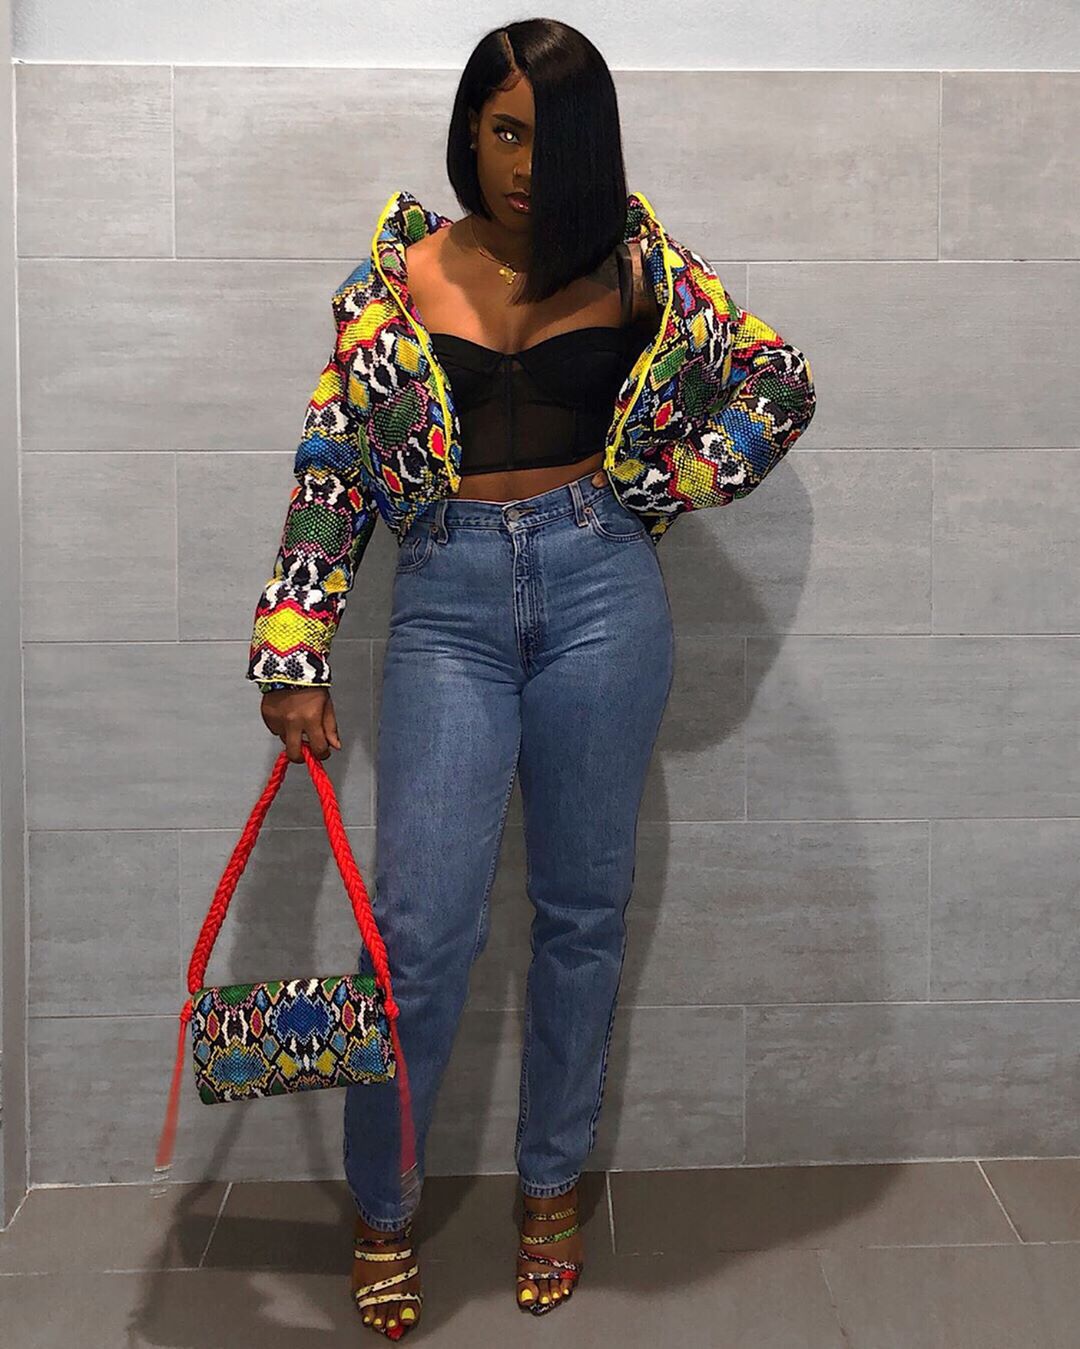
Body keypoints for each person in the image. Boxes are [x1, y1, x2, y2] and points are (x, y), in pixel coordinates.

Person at [248, 19, 816, 1340]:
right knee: (419, 930)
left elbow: (774, 379)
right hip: (444, 602)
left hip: (601, 591)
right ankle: (384, 1204)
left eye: (550, 140)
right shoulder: (392, 283)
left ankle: (551, 1185)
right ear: (469, 130)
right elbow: (333, 463)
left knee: (582, 914)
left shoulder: (635, 263)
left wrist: (682, 475)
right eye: (504, 131)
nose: (522, 164)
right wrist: (294, 647)